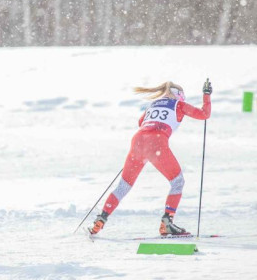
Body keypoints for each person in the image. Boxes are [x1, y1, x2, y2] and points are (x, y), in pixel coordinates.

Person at [89, 79, 212, 236]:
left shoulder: (153, 105)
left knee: (124, 185)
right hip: (157, 142)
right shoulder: (179, 105)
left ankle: (102, 218)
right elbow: (204, 114)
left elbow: (141, 122)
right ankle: (167, 223)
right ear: (179, 95)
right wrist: (206, 95)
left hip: (138, 141)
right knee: (177, 182)